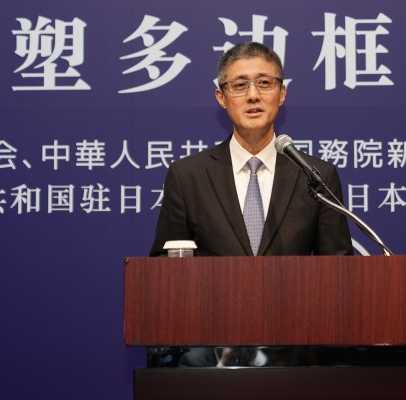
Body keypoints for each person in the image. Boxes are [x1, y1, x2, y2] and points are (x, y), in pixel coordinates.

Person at [148, 42, 353, 367]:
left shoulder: (315, 175)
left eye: (264, 83)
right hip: (209, 349)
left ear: (282, 93)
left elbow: (339, 273)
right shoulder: (188, 176)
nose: (253, 95)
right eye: (240, 85)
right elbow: (164, 266)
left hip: (294, 352)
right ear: (221, 97)